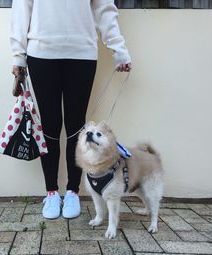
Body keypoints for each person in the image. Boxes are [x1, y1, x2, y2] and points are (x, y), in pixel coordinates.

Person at [10, 0, 132, 219]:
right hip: (41, 52)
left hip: (82, 53)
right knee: (49, 125)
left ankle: (73, 191)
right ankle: (52, 192)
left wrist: (119, 49)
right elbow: (21, 8)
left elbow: (105, 8)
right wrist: (18, 55)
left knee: (77, 126)